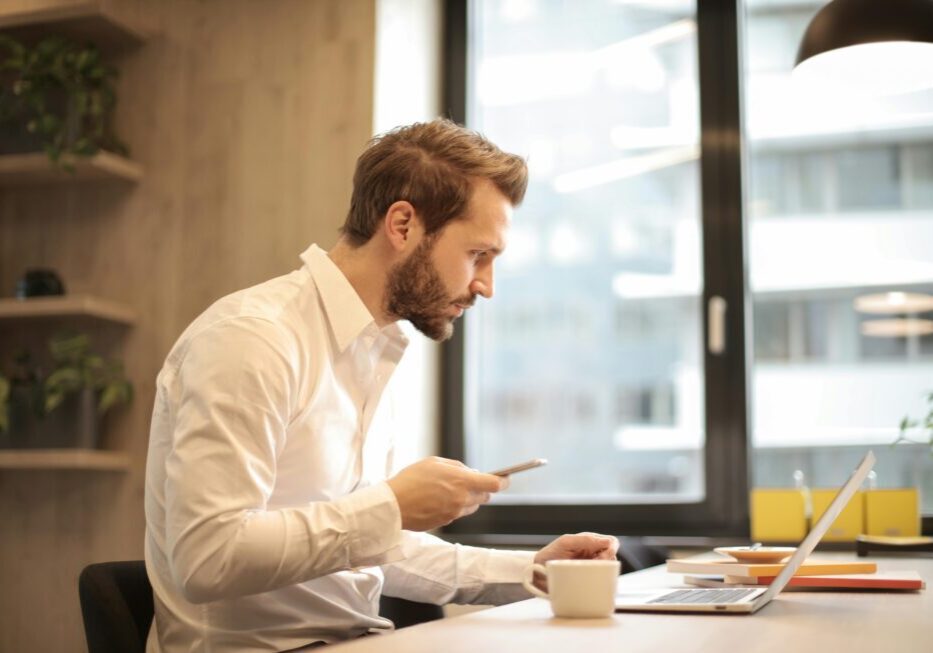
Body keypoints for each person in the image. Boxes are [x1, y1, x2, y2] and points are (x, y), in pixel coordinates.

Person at [144, 119, 619, 652]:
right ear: (402, 225)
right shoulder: (252, 339)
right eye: (477, 255)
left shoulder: (372, 351)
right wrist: (390, 506)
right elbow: (207, 558)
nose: (485, 286)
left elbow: (362, 546)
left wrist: (532, 571)